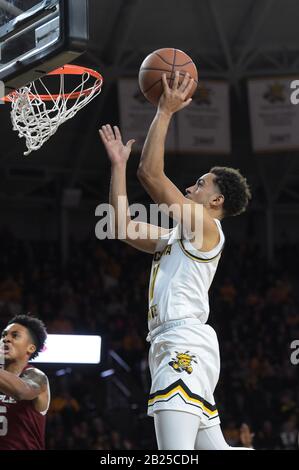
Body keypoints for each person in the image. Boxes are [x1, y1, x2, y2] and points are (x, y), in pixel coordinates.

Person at [99, 71, 252, 450]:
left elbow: (150, 175)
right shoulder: (177, 236)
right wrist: (118, 166)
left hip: (183, 341)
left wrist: (164, 111)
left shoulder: (207, 228)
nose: (190, 188)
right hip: (177, 342)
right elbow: (121, 227)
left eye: (200, 184)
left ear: (217, 201)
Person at [0, 314, 50, 450]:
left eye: (15, 336)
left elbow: (20, 391)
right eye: (4, 335)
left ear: (30, 348)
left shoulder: (37, 377)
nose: (6, 339)